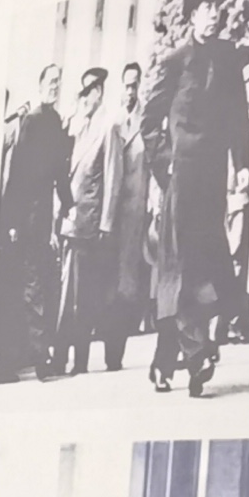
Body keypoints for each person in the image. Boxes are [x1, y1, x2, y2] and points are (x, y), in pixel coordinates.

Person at [146, 0, 249, 395]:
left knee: (205, 262)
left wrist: (243, 165)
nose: (213, 13)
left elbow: (239, 117)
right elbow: (149, 122)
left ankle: (166, 361)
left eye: (216, 7)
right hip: (182, 177)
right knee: (183, 265)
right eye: (206, 8)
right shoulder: (175, 61)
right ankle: (197, 354)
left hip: (213, 178)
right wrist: (165, 164)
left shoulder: (228, 58)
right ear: (192, 16)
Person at [58, 65, 139, 376]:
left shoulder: (109, 127)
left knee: (92, 295)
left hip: (95, 228)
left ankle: (88, 359)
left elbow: (113, 178)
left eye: (87, 92)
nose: (83, 99)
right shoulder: (80, 128)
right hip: (76, 224)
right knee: (76, 295)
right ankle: (73, 358)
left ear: (98, 92)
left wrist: (106, 224)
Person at [0, 69, 72, 382]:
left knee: (43, 284)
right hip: (27, 217)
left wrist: (69, 205)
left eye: (58, 83)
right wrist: (13, 220)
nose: (55, 87)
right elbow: (18, 172)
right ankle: (40, 358)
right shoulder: (32, 121)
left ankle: (39, 353)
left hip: (45, 217)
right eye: (51, 82)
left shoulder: (55, 121)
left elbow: (60, 172)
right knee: (33, 286)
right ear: (40, 86)